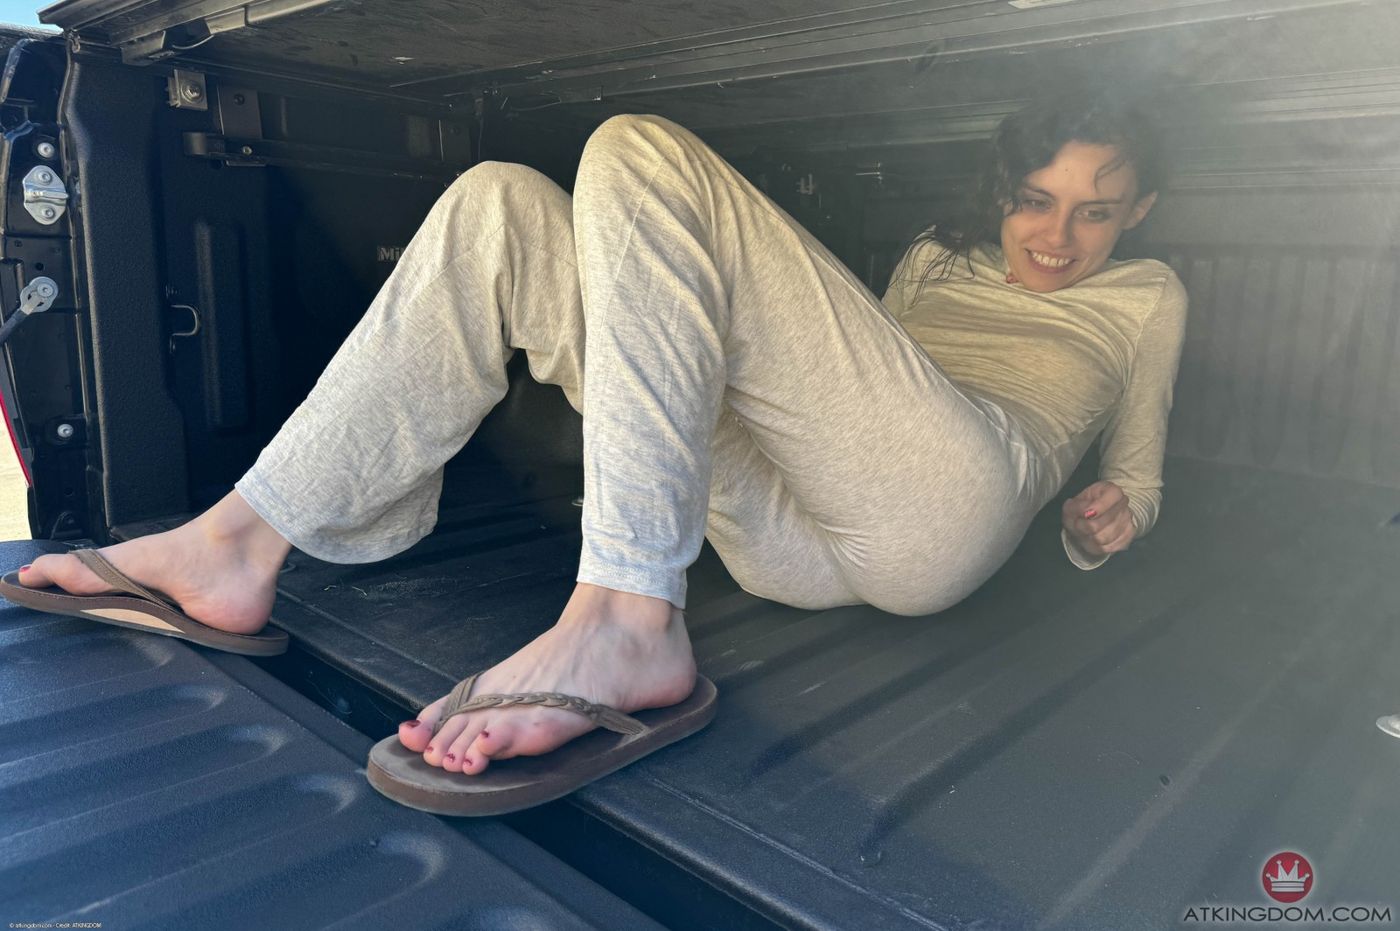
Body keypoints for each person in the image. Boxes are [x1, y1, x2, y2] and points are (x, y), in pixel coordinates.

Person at [2, 94, 1185, 809]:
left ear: (1133, 212)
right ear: (1000, 194)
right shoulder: (935, 260)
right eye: (1034, 200)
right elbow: (836, 385)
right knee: (501, 206)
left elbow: (1135, 474)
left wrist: (1105, 522)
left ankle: (625, 614)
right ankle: (236, 541)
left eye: (1094, 208)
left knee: (638, 150)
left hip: (951, 507)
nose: (1056, 234)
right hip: (804, 533)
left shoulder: (1146, 296)